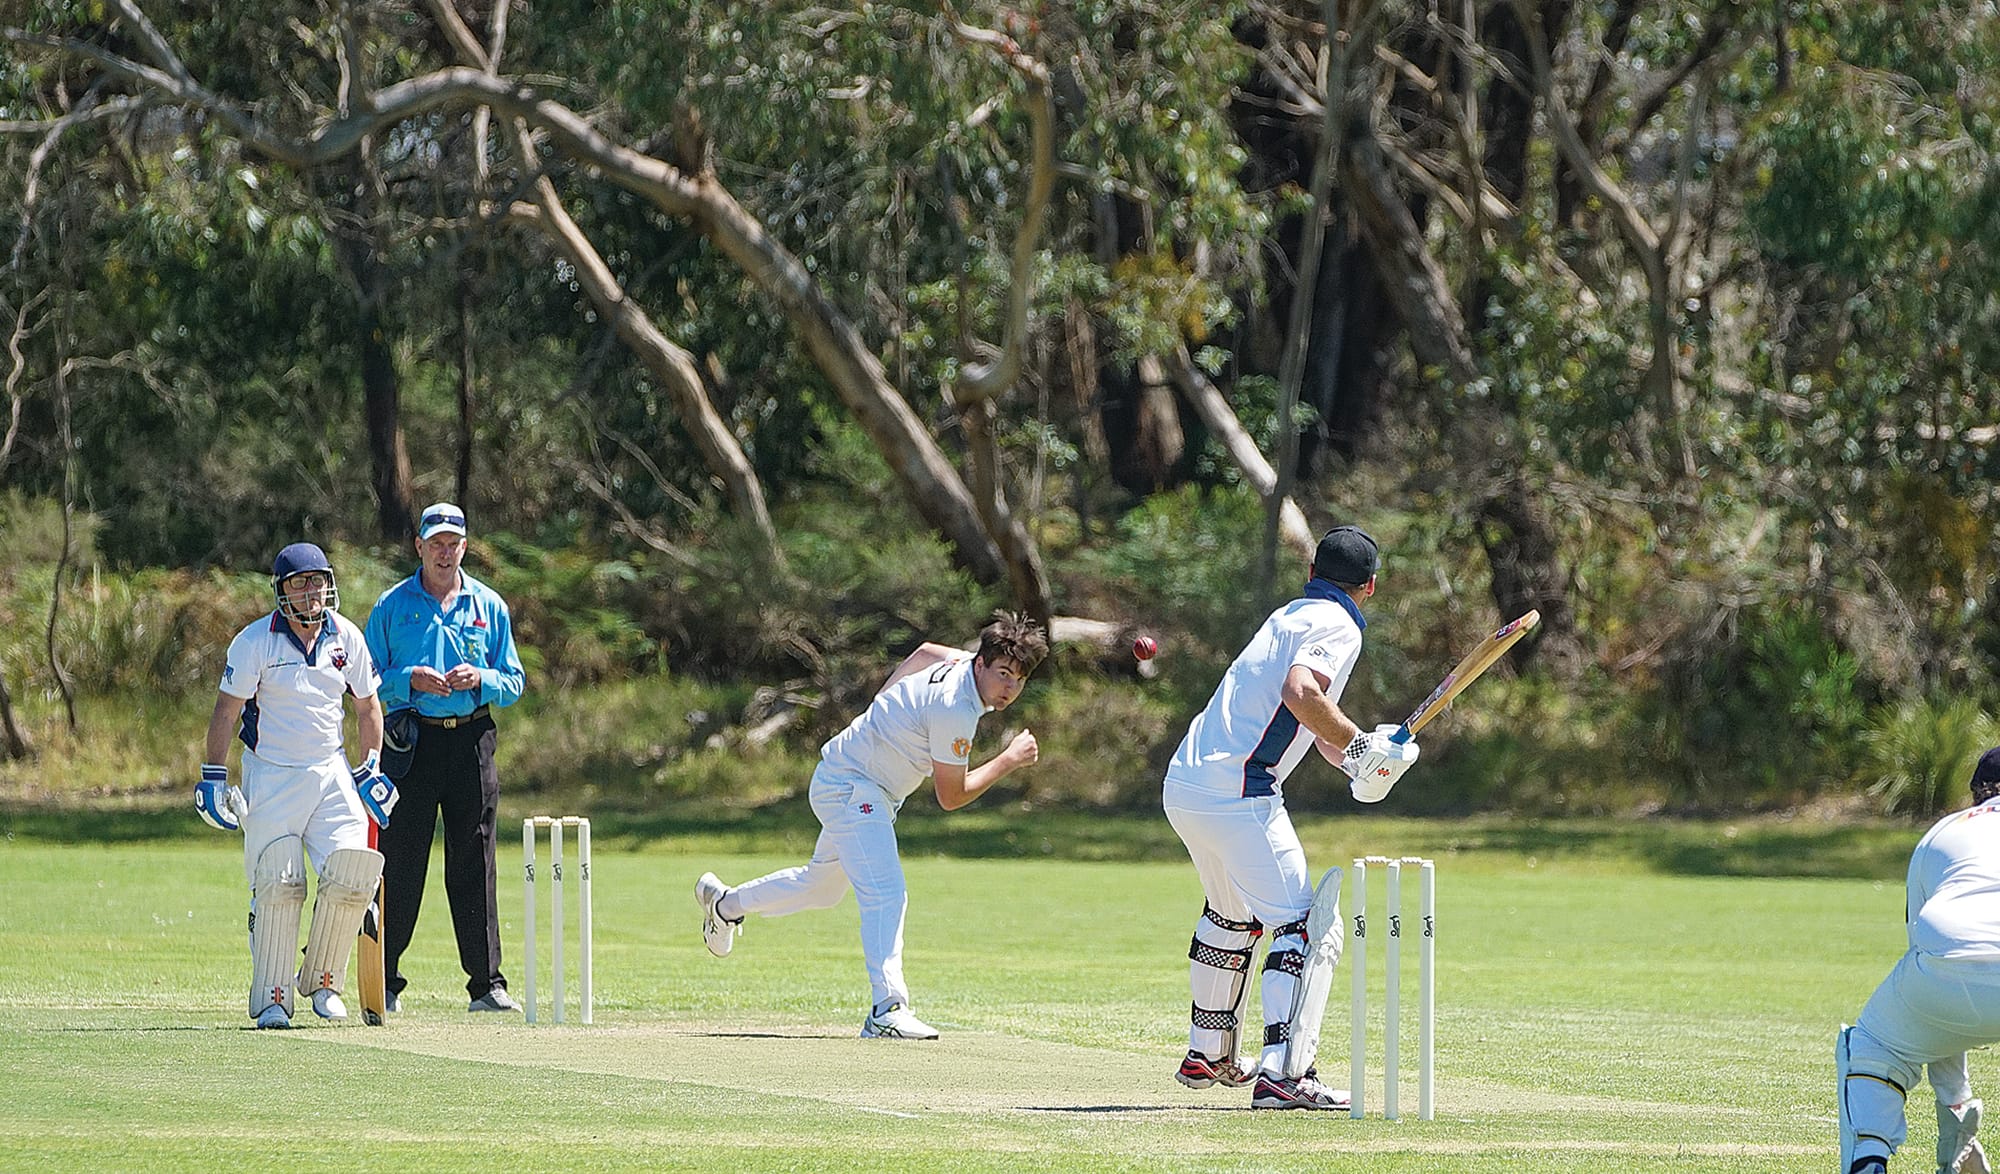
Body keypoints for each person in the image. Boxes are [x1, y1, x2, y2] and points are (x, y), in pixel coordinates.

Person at [694, 611, 1049, 1039]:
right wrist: (1008, 759)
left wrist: (881, 709)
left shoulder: (958, 664)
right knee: (886, 891)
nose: (1009, 688)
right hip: (852, 786)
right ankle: (887, 1008)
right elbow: (950, 796)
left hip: (860, 785)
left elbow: (924, 652)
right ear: (980, 664)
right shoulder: (957, 708)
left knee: (821, 888)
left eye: (1019, 679)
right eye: (1003, 674)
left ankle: (725, 905)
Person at [1161, 524, 1420, 1110]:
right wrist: (1360, 749)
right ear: (1371, 586)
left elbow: (1306, 718)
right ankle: (1286, 1073)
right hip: (1240, 792)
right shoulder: (1339, 624)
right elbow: (1304, 693)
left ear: (1312, 573)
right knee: (1304, 924)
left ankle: (1210, 1053)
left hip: (1188, 785)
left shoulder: (1290, 615)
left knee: (1230, 914)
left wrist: (1365, 757)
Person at [197, 542, 399, 1029]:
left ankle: (325, 981)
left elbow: (369, 707)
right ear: (281, 591)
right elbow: (227, 710)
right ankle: (272, 995)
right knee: (278, 882)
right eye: (299, 583)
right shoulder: (254, 643)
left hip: (331, 771)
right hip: (272, 774)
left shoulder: (346, 637)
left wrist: (370, 766)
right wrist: (213, 775)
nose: (312, 592)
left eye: (318, 581)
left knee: (356, 869)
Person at [363, 502, 526, 1013]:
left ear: (465, 547)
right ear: (419, 547)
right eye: (435, 542)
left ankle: (487, 985)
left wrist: (483, 680)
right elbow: (365, 680)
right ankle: (383, 981)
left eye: (453, 543)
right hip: (410, 740)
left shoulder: (489, 606)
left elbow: (514, 680)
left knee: (474, 863)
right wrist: (407, 679)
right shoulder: (391, 606)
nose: (444, 551)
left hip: (470, 739)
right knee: (401, 860)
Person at [1837, 748, 2000, 1174]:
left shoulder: (1945, 832)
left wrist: (1956, 1114)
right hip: (1954, 961)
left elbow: (1934, 961)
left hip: (1951, 964)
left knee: (1877, 1044)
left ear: (1980, 793)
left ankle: (1870, 1160)